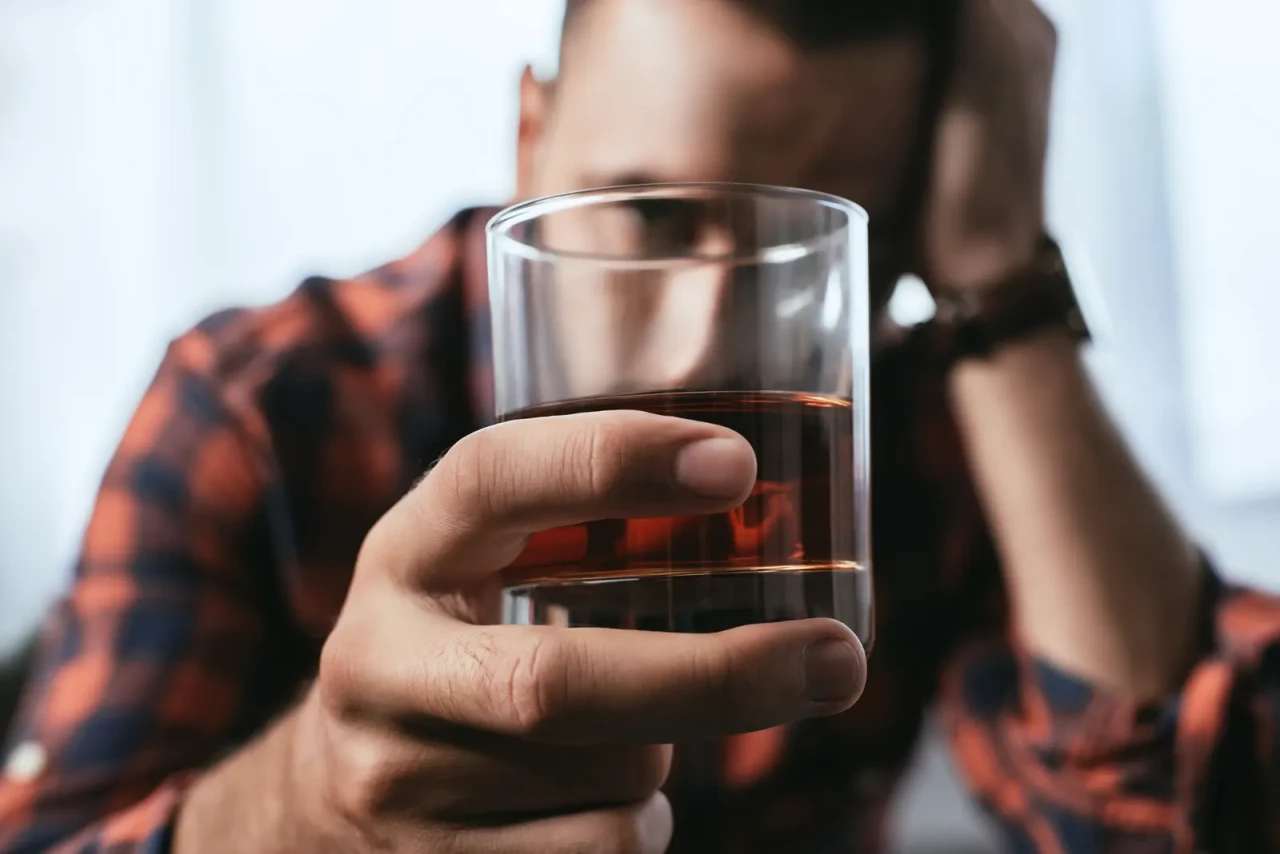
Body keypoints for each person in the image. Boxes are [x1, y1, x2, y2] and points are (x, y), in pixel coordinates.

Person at [1, 0, 1277, 851]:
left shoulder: (922, 425)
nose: (688, 352)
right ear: (528, 134)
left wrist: (998, 280)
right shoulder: (259, 412)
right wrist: (307, 804)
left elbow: (1177, 816)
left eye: (797, 255)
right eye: (646, 220)